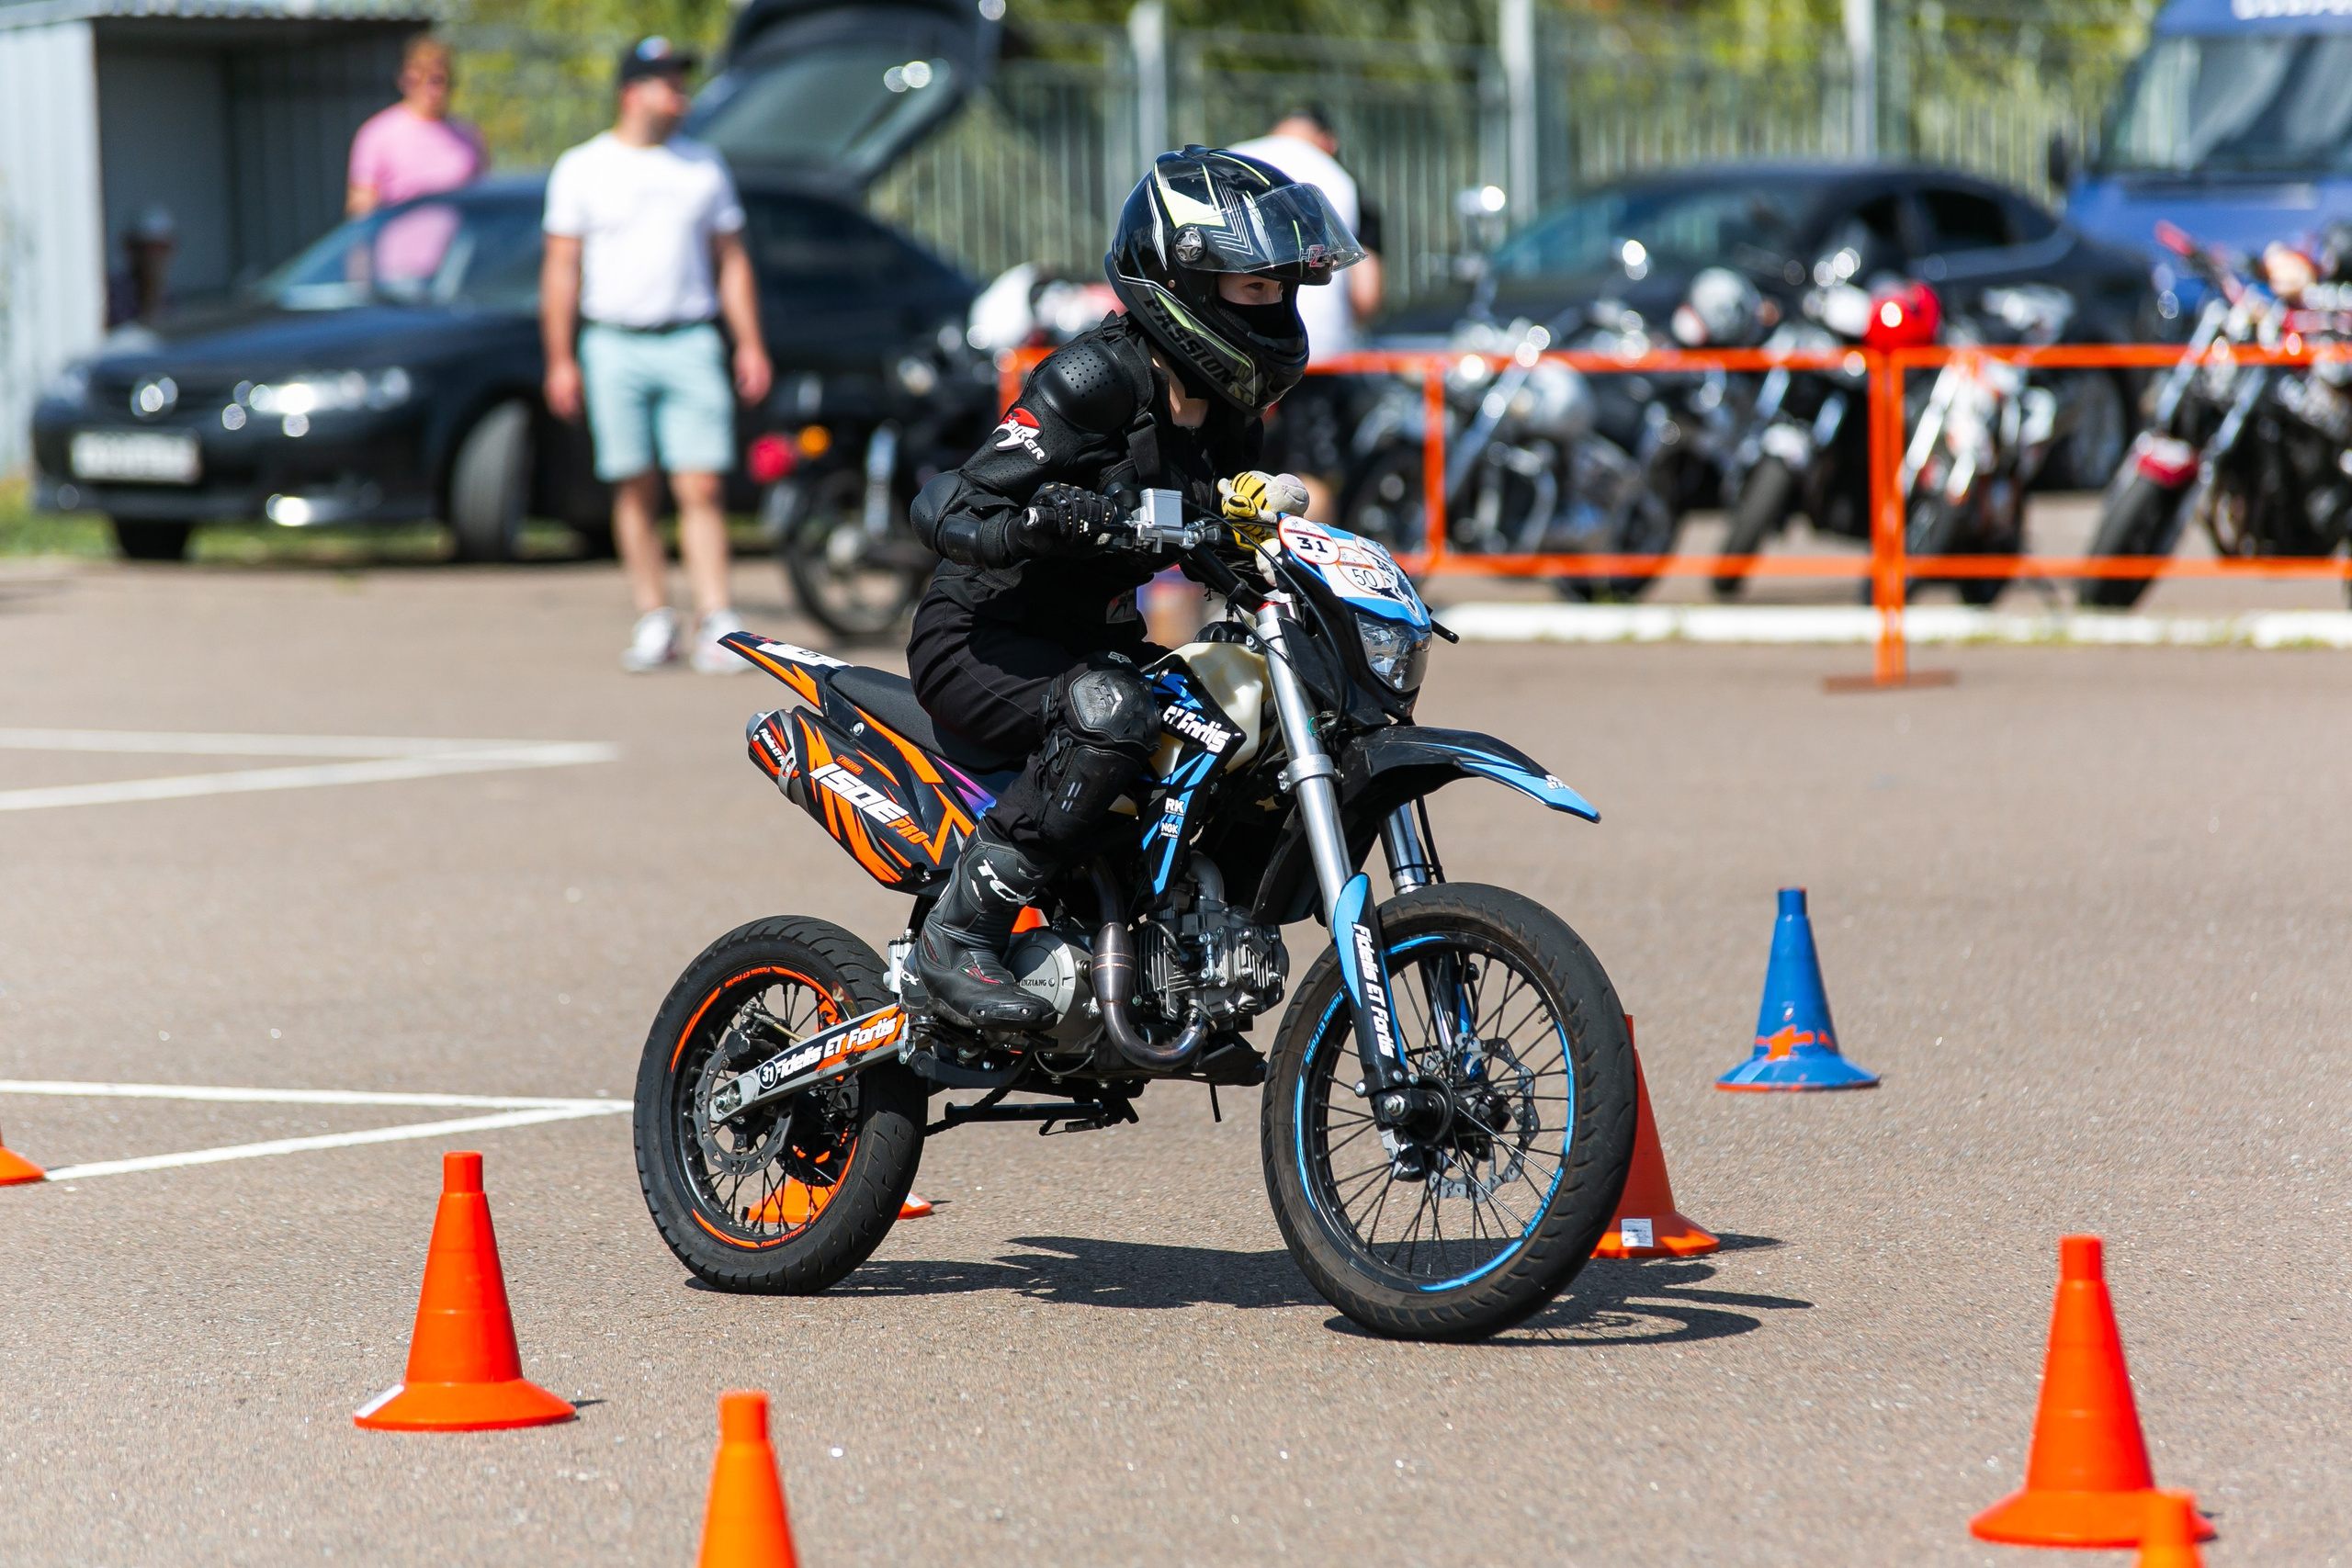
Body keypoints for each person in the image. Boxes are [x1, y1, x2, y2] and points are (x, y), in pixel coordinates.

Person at [904, 146, 1361, 1031]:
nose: (1275, 308)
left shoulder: (1229, 411)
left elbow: (1208, 536)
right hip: (981, 637)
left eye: (1280, 288)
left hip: (1093, 645)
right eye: (1253, 288)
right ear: (1181, 282)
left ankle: (1165, 950)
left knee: (1234, 721)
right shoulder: (1095, 378)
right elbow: (947, 499)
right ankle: (960, 934)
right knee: (1113, 712)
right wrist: (1033, 527)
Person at [540, 37, 774, 673]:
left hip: (690, 337)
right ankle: (653, 616)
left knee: (700, 482)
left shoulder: (701, 166)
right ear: (631, 91)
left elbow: (731, 260)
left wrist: (749, 342)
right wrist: (560, 357)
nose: (680, 92)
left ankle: (717, 619)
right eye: (667, 80)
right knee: (633, 484)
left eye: (680, 79)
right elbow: (561, 269)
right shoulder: (583, 167)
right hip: (612, 340)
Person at [1229, 107, 1385, 521]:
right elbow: (1367, 297)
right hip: (1313, 353)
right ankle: (1305, 576)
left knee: (1225, 467)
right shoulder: (1338, 179)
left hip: (1226, 343)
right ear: (1328, 140)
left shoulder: (1230, 162)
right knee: (1310, 474)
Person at [346, 37, 485, 219]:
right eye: (418, 79)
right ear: (404, 79)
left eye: (437, 80)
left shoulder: (468, 136)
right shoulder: (377, 134)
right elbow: (361, 213)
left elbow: (482, 203)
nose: (429, 89)